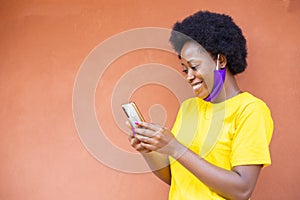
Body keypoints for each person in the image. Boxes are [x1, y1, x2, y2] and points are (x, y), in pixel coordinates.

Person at [128, 10, 273, 200]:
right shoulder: (189, 108)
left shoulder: (250, 110)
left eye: (194, 67)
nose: (188, 76)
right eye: (184, 69)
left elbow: (242, 189)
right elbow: (178, 177)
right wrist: (147, 150)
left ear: (220, 60)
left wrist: (175, 147)